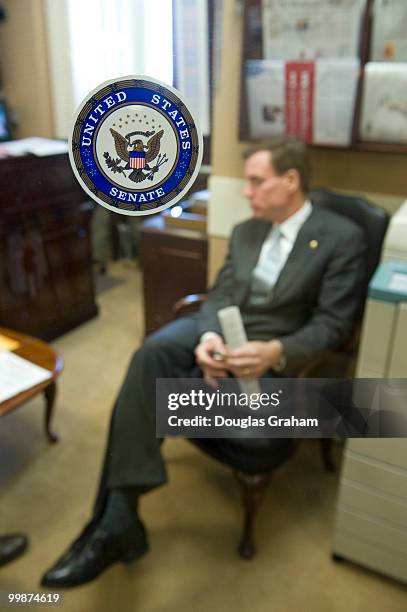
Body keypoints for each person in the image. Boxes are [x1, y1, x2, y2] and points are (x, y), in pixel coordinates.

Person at [41, 137, 367, 588]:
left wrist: (277, 351)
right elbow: (220, 295)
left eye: (256, 182)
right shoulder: (247, 231)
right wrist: (210, 334)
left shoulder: (340, 238)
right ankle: (118, 520)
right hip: (222, 332)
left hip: (272, 351)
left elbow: (334, 325)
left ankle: (115, 522)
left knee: (148, 391)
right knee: (152, 352)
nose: (247, 192)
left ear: (290, 181)